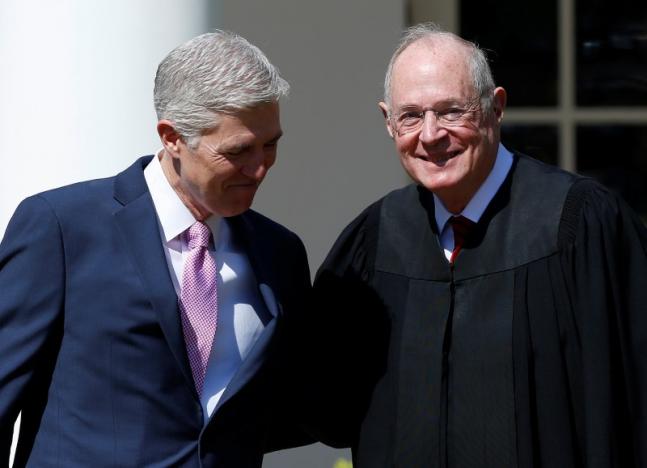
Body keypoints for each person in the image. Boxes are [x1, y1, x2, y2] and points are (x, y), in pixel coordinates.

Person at [311, 23, 647, 467]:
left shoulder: (579, 227)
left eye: (451, 111)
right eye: (410, 116)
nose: (430, 135)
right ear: (388, 123)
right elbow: (324, 407)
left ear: (496, 107)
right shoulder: (374, 242)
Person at [0, 31, 311, 467]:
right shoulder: (62, 228)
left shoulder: (280, 253)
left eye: (271, 144)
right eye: (238, 151)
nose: (260, 167)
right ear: (172, 137)